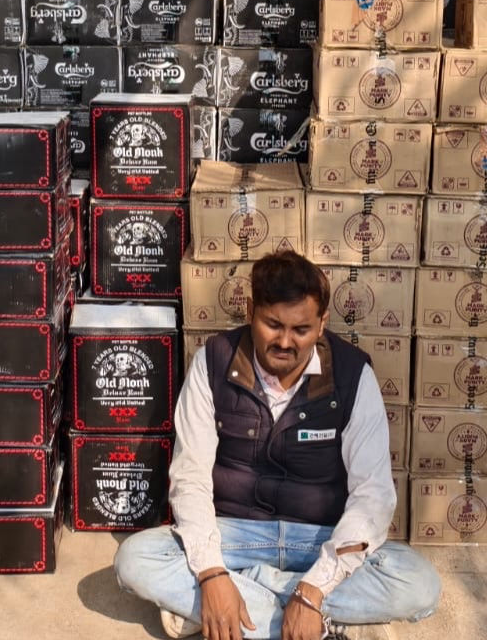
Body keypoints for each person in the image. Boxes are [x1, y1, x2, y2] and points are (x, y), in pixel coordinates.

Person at [114, 252, 441, 640]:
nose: (285, 342)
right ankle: (311, 619)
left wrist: (313, 588)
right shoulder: (212, 362)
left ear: (322, 323)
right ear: (250, 311)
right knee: (134, 560)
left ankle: (234, 605)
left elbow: (373, 496)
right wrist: (212, 573)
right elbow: (190, 477)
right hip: (234, 534)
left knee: (419, 585)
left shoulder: (353, 375)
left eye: (301, 329)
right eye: (273, 325)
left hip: (319, 538)